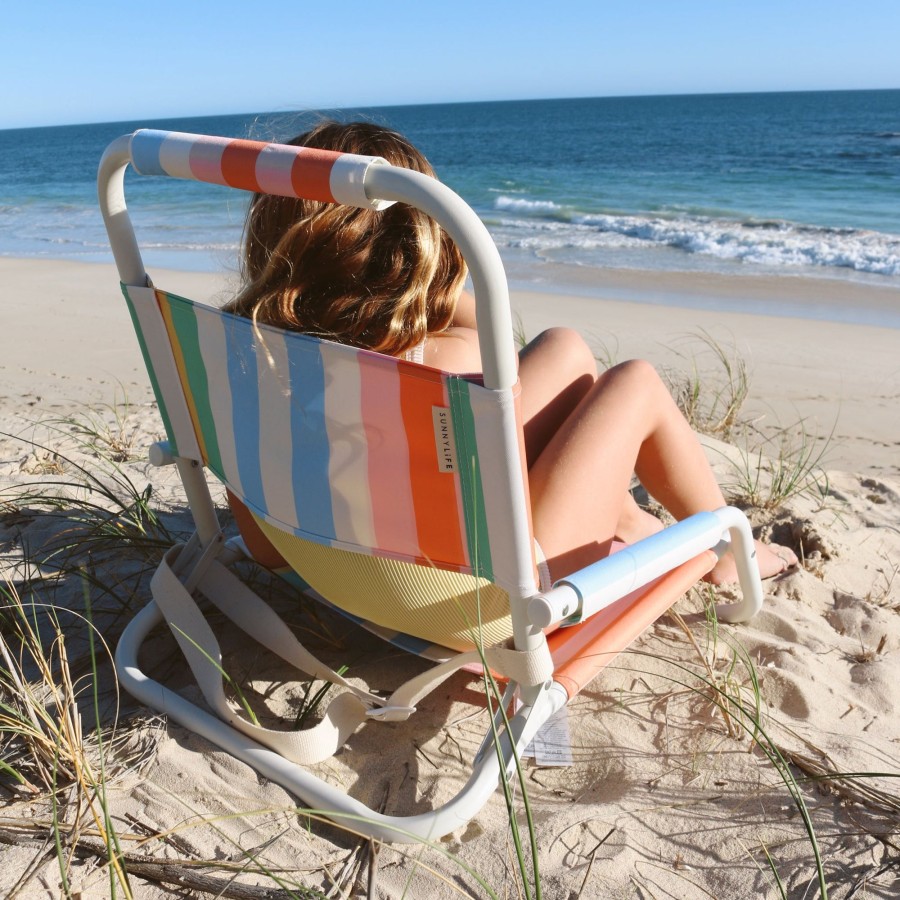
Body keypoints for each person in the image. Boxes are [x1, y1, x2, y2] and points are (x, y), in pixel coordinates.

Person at [226, 120, 797, 589]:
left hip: (349, 580)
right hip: (493, 600)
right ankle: (726, 549)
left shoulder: (245, 360)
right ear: (423, 242)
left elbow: (263, 551)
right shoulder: (436, 368)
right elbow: (483, 329)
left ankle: (628, 517)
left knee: (559, 354)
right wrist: (436, 279)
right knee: (630, 380)